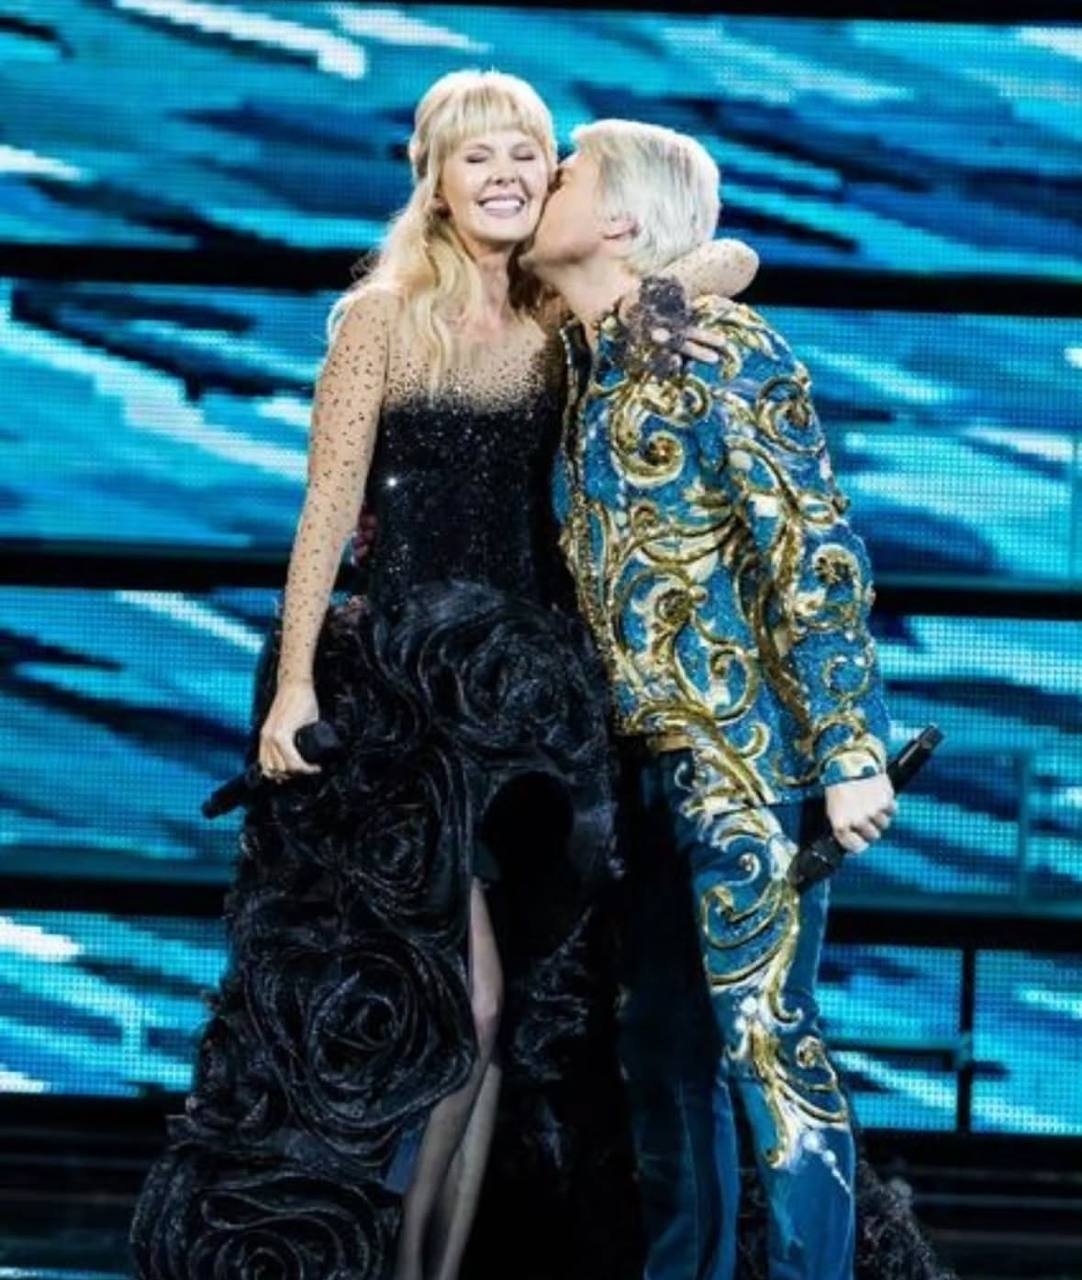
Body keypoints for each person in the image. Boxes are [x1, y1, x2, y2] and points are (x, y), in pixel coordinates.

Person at [129, 74, 758, 1280]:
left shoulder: (560, 319)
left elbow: (732, 259)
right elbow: (325, 512)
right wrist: (293, 685)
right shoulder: (378, 319)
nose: (507, 174)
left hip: (527, 714)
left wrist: (656, 285)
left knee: (507, 1026)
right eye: (479, 156)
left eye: (527, 153)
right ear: (434, 178)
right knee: (455, 1010)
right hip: (401, 708)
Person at [524, 120, 951, 1280]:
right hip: (644, 771)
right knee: (663, 1053)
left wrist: (849, 749)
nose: (542, 184)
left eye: (564, 173)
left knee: (768, 1044)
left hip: (748, 764)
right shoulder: (590, 365)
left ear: (619, 217)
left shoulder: (715, 341)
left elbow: (809, 546)